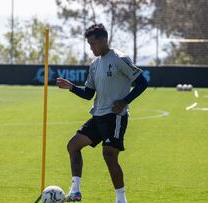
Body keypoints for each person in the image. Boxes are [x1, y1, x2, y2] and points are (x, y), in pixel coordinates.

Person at [57, 23, 148, 203]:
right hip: (98, 116)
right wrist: (71, 87)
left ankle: (121, 199)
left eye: (94, 44)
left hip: (115, 118)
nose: (91, 48)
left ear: (104, 40)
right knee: (73, 146)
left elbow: (142, 83)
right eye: (89, 45)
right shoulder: (94, 64)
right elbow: (89, 94)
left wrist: (124, 101)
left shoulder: (120, 58)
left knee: (108, 154)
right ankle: (75, 192)